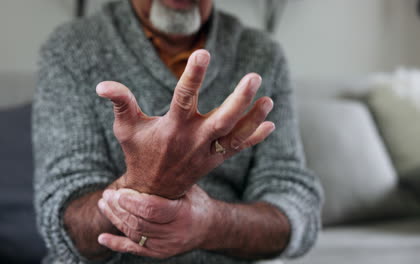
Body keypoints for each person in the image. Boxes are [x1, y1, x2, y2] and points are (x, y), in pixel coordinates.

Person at [32, 0, 323, 263]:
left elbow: (295, 207)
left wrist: (211, 225)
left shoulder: (262, 53)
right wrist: (147, 183)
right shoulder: (71, 48)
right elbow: (64, 223)